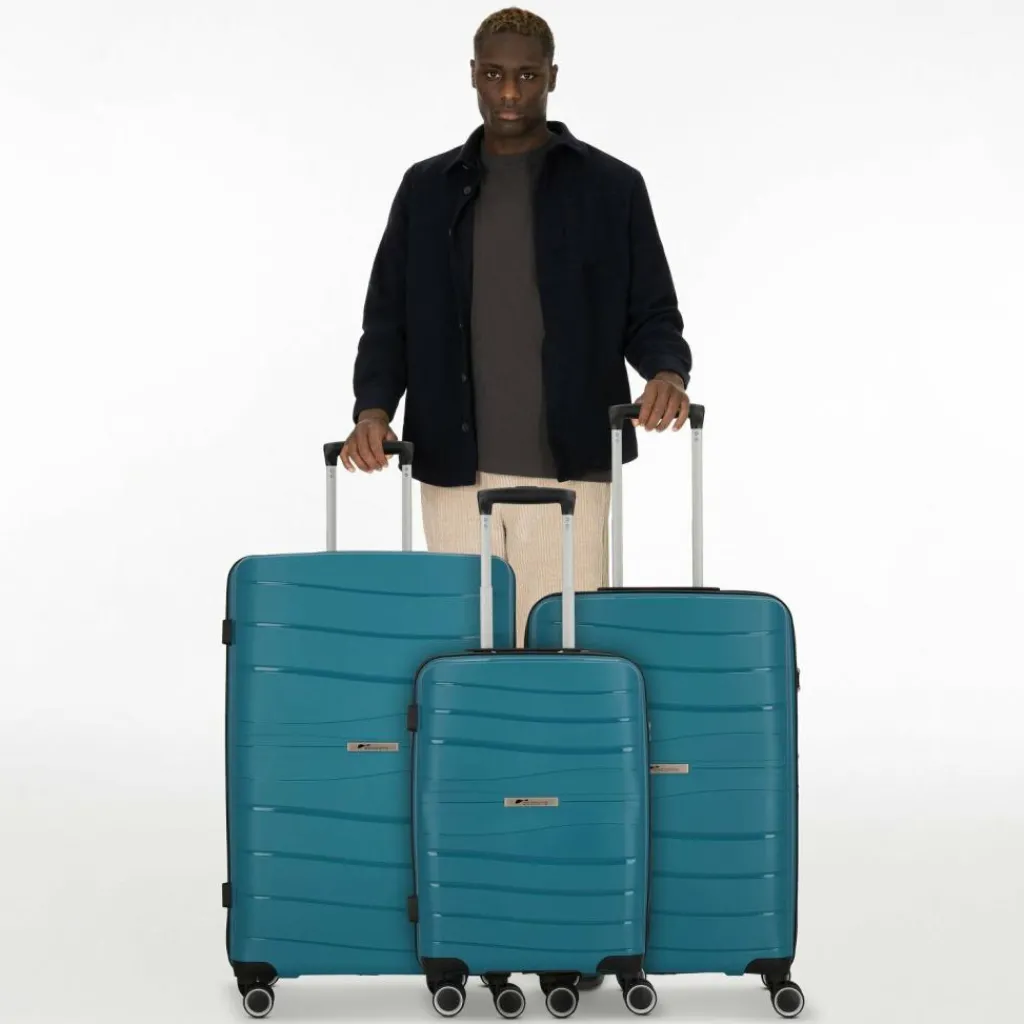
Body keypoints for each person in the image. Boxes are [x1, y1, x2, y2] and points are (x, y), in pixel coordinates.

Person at [342, 6, 692, 650]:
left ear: (552, 77)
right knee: (461, 649)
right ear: (472, 74)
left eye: (527, 76)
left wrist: (666, 373)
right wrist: (372, 410)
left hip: (571, 464)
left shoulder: (611, 187)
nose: (508, 92)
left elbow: (651, 309)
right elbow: (388, 316)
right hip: (452, 464)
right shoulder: (426, 189)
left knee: (560, 651)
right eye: (494, 74)